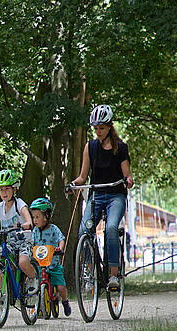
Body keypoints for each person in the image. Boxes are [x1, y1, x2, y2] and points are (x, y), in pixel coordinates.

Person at [70, 104, 134, 290]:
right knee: (84, 230)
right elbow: (83, 177)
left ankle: (113, 275)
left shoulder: (120, 147)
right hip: (97, 195)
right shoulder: (90, 147)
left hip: (115, 196)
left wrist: (128, 180)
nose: (98, 131)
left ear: (109, 127)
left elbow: (127, 174)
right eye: (96, 128)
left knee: (111, 228)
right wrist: (74, 184)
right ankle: (91, 272)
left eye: (102, 128)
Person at [0, 170, 38, 293]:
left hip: (24, 242)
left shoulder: (19, 204)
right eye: (1, 190)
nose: (3, 193)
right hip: (9, 242)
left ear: (14, 189)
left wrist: (27, 224)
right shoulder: (0, 207)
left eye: (7, 189)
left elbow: (28, 217)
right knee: (0, 263)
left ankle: (33, 278)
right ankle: (1, 292)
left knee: (23, 262)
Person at [29, 197, 71, 316]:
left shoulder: (53, 229)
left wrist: (60, 248)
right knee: (36, 285)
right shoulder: (35, 231)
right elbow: (31, 242)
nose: (35, 220)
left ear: (46, 216)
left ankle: (65, 301)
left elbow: (61, 239)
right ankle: (40, 306)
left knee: (61, 287)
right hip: (40, 265)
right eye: (33, 217)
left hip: (53, 264)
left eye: (38, 217)